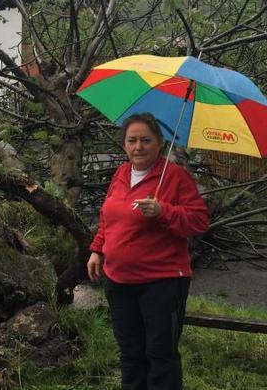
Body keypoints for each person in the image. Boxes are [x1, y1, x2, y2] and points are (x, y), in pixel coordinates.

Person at [87, 112, 209, 390]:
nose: (138, 147)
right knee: (130, 353)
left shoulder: (175, 178)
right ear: (124, 145)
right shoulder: (121, 173)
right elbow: (108, 217)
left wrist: (163, 211)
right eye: (132, 140)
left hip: (161, 283)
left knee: (159, 354)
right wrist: (97, 250)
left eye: (145, 140)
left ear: (159, 144)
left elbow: (199, 221)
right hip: (118, 282)